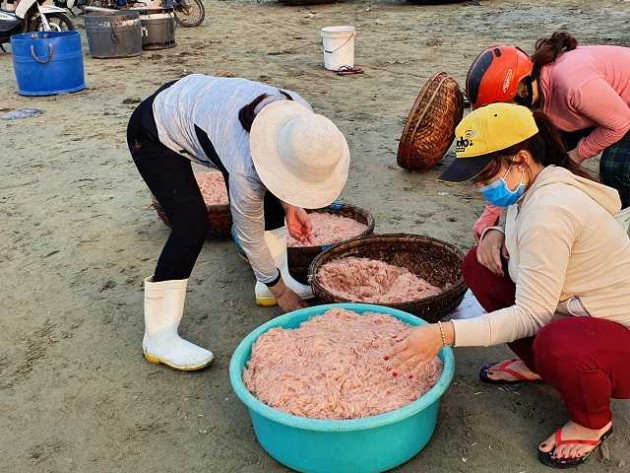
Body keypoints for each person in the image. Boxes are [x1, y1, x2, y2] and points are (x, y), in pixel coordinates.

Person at [387, 103, 630, 469]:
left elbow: (531, 315)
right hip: (572, 306)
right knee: (478, 265)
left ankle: (592, 422)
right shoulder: (534, 182)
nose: (480, 187)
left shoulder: (550, 210)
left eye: (485, 175)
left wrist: (441, 335)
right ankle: (538, 366)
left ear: (520, 158)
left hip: (615, 337)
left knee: (558, 345)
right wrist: (495, 230)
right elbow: (515, 217)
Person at [127, 74, 350, 371]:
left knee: (269, 194)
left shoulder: (301, 117)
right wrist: (283, 294)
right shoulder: (244, 168)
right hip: (155, 128)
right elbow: (249, 236)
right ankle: (159, 336)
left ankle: (268, 282)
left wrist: (290, 204)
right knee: (190, 224)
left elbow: (279, 170)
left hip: (202, 106)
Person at [466, 32, 630, 236]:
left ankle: (620, 230)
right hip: (611, 108)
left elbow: (621, 124)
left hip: (623, 115)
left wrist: (575, 155)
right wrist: (492, 213)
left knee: (615, 168)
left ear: (521, 91)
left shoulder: (572, 85)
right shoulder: (538, 97)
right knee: (550, 156)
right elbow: (518, 160)